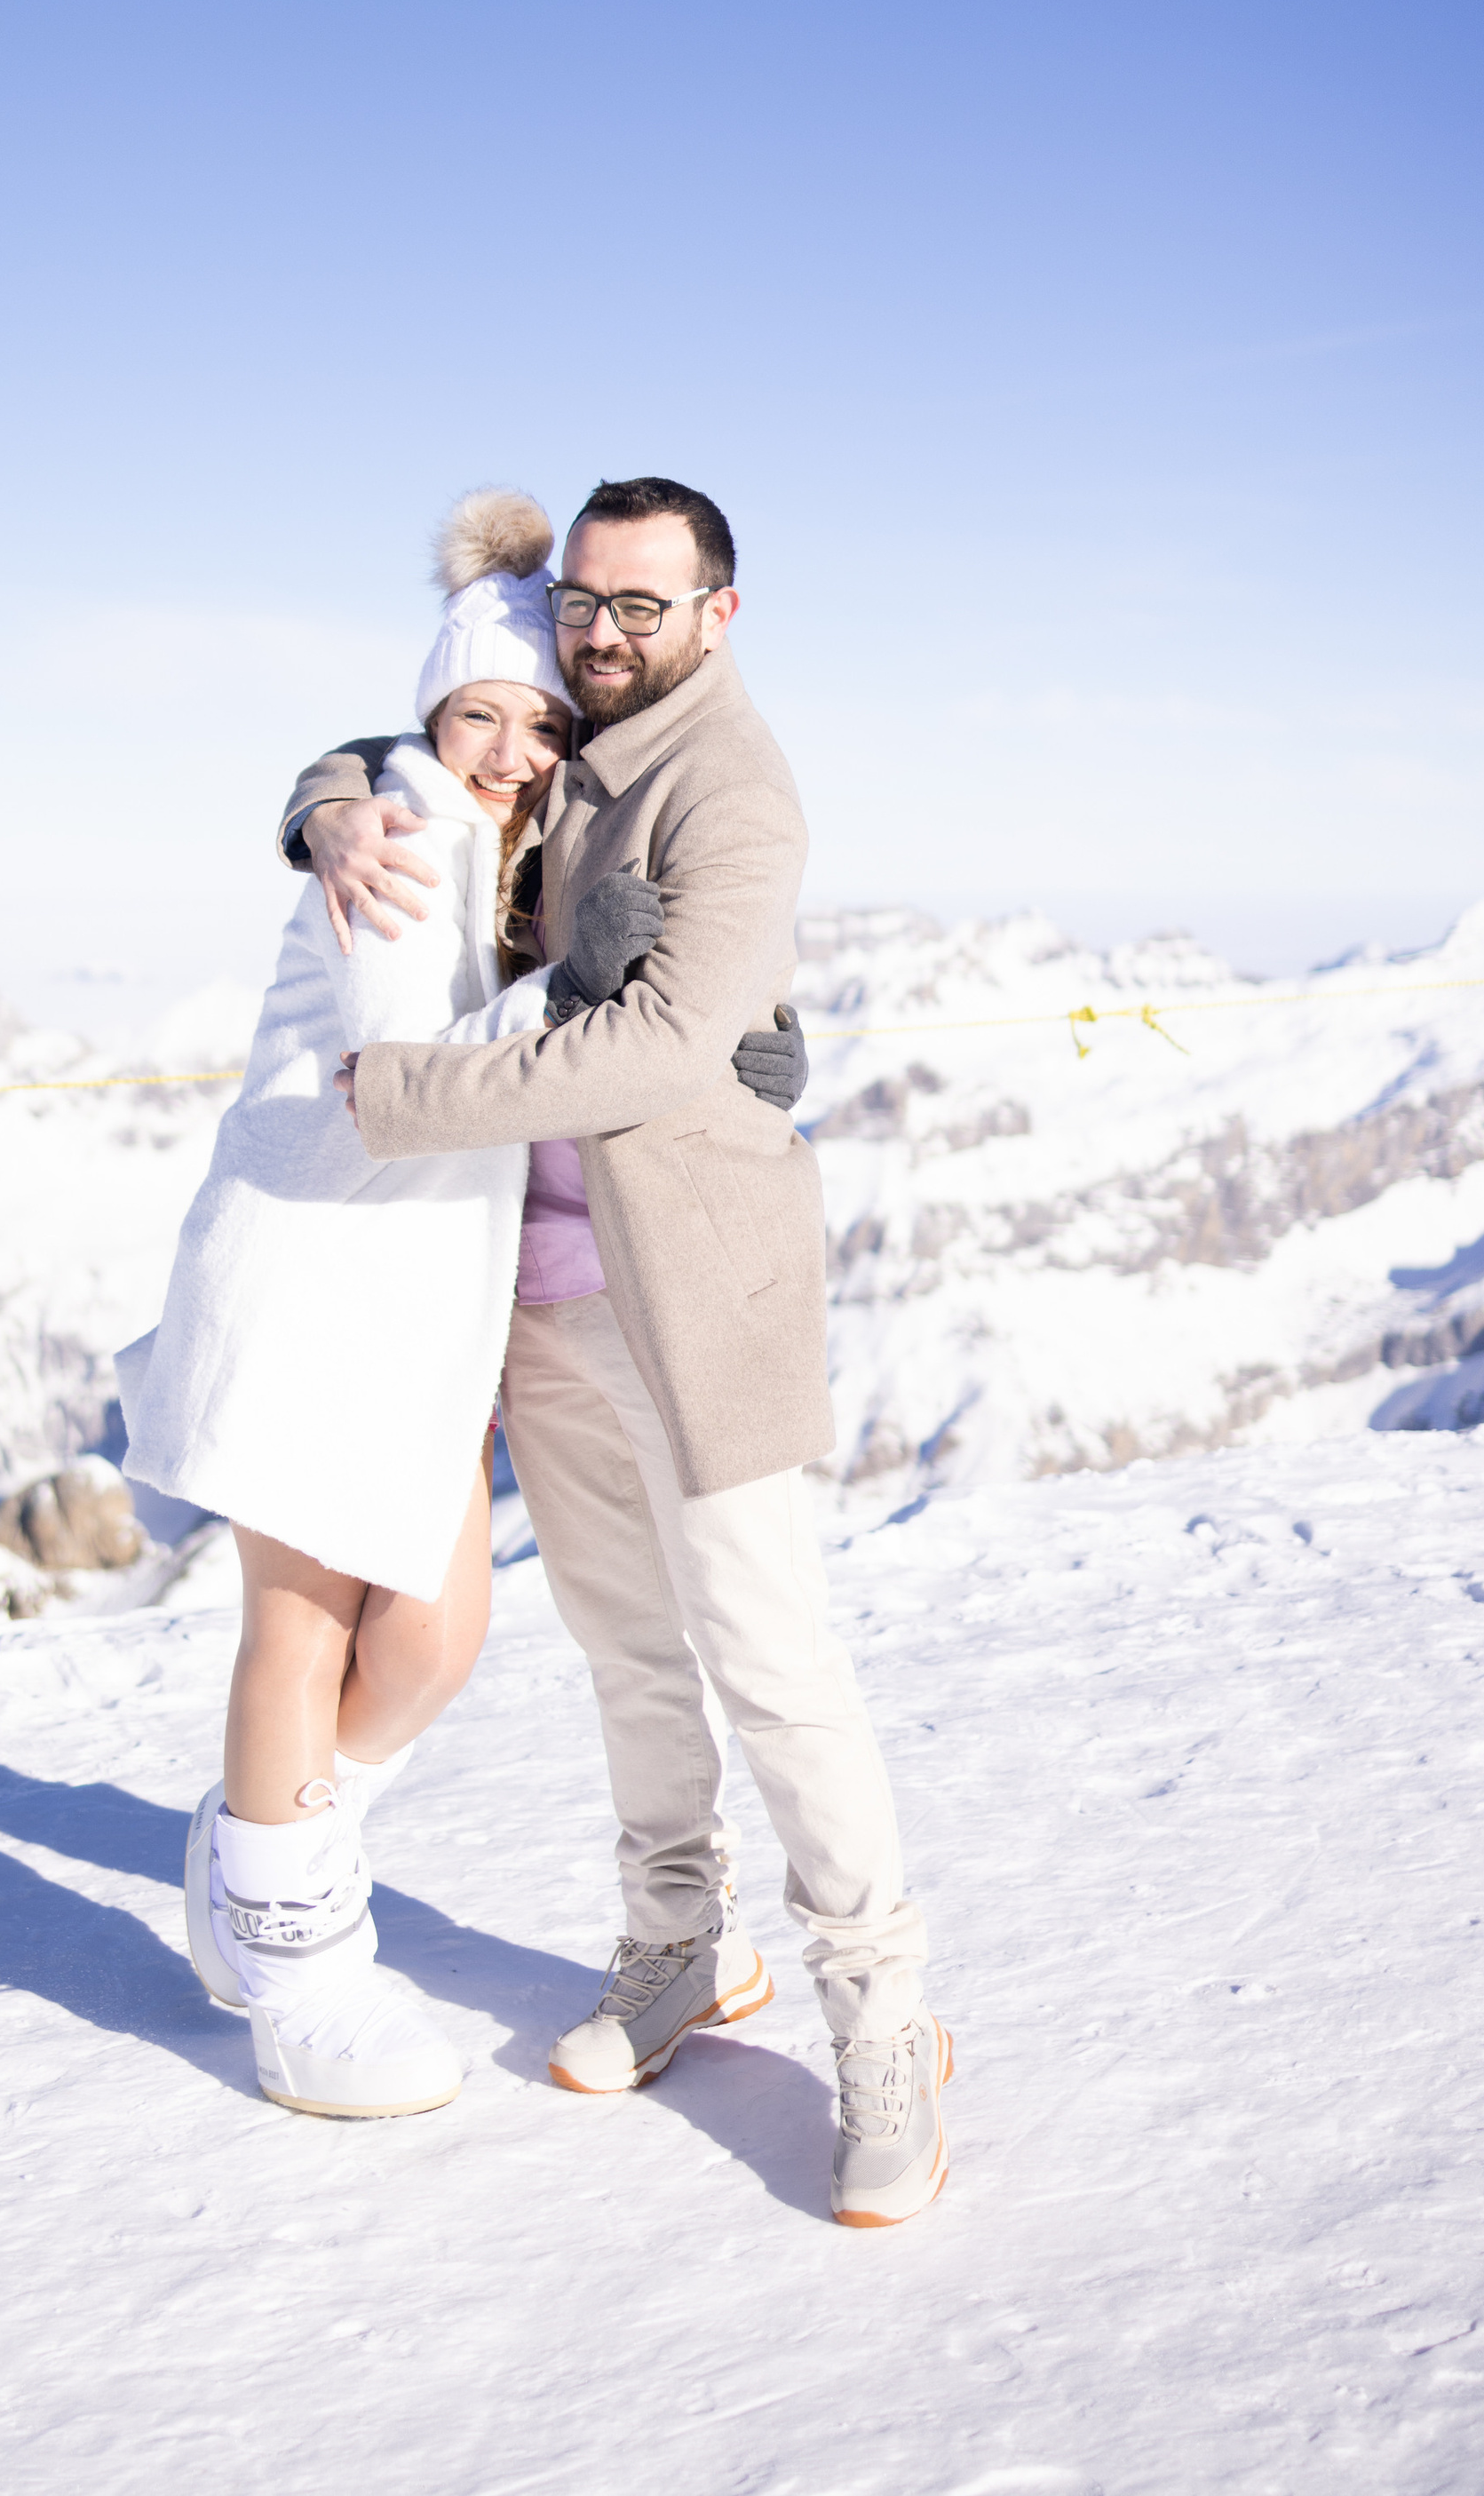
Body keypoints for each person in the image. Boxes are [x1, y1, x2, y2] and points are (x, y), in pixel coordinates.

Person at [290, 474, 950, 2229]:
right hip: (547, 1293)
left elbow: (657, 1044)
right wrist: (324, 806)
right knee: (625, 1645)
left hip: (695, 1292)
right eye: (581, 598)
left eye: (638, 606)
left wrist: (403, 1097)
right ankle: (676, 1936)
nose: (596, 631)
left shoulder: (731, 786)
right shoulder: (572, 722)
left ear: (716, 612)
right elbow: (417, 743)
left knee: (766, 1650)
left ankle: (883, 2021)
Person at [116, 490, 801, 2126]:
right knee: (306, 1621)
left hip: (419, 1307)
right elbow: (400, 1052)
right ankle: (299, 1976)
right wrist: (588, 991)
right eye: (478, 715)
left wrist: (699, 1030)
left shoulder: (511, 842)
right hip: (307, 1270)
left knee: (431, 1638)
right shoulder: (411, 829)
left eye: (540, 721)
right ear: (433, 717)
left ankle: (260, 1843)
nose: (508, 747)